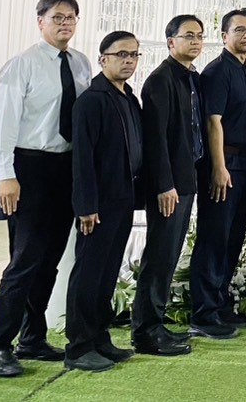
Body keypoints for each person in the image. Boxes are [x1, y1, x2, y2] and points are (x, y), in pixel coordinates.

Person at [0, 0, 93, 378]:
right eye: (58, 17)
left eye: (71, 18)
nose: (65, 24)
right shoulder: (22, 65)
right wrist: (6, 174)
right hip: (28, 168)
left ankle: (32, 337)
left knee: (50, 259)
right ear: (40, 21)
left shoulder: (80, 63)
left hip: (66, 167)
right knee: (24, 260)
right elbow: (3, 124)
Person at [65, 30, 144, 373]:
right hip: (97, 203)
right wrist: (86, 205)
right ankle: (78, 345)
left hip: (123, 199)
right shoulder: (91, 100)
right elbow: (82, 158)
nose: (128, 60)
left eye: (134, 55)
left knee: (109, 271)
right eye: (121, 54)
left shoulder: (129, 98)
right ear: (103, 59)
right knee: (89, 272)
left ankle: (99, 337)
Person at [132, 14, 207, 356]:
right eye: (188, 35)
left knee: (170, 254)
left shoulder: (190, 78)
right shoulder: (161, 80)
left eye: (199, 36)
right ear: (170, 41)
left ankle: (156, 323)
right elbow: (156, 139)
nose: (195, 41)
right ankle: (146, 331)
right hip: (169, 184)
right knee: (159, 256)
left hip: (187, 178)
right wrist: (164, 185)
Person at [190, 8, 246, 339]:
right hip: (224, 164)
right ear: (223, 36)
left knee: (233, 237)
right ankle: (203, 313)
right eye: (239, 30)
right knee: (214, 238)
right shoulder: (217, 71)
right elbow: (212, 122)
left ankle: (220, 305)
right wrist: (218, 167)